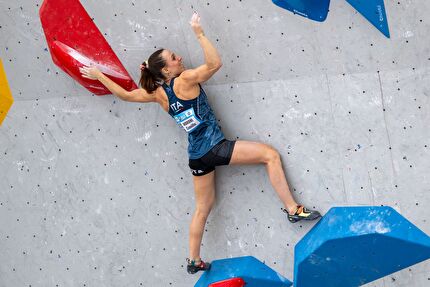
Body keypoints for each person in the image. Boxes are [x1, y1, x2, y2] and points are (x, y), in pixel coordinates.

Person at [80, 12, 321, 275]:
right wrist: (199, 33)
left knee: (203, 207)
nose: (179, 58)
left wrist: (98, 75)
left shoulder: (158, 94)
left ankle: (193, 259)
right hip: (215, 148)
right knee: (270, 155)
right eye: (174, 57)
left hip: (197, 157)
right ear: (166, 70)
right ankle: (292, 208)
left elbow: (125, 96)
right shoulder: (183, 80)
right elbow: (215, 63)